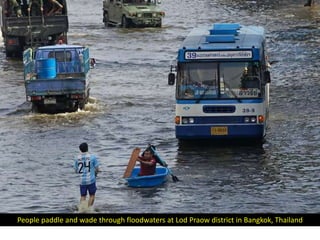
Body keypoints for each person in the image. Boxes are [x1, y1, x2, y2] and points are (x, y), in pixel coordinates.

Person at [73, 142, 101, 208]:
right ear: (87, 148)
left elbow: (76, 170)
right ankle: (88, 209)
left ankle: (81, 209)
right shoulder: (92, 157)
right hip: (91, 180)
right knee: (92, 195)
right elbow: (97, 169)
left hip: (82, 181)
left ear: (80, 150)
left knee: (83, 196)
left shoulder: (77, 158)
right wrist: (96, 172)